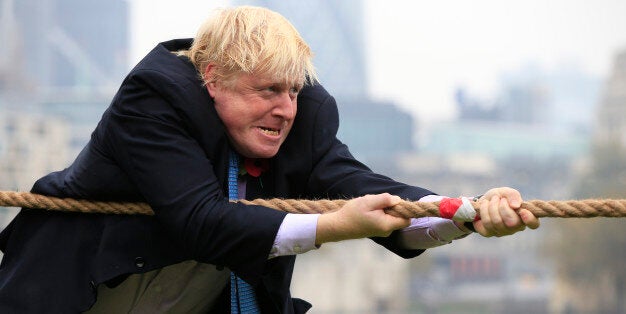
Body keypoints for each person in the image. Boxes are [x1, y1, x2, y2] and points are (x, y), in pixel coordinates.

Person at [0, 6, 539, 313]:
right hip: (69, 295)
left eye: (294, 91)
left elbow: (366, 190)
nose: (285, 110)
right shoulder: (154, 98)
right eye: (267, 91)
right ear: (211, 78)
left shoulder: (303, 117)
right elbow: (201, 220)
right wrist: (333, 226)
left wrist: (461, 214)